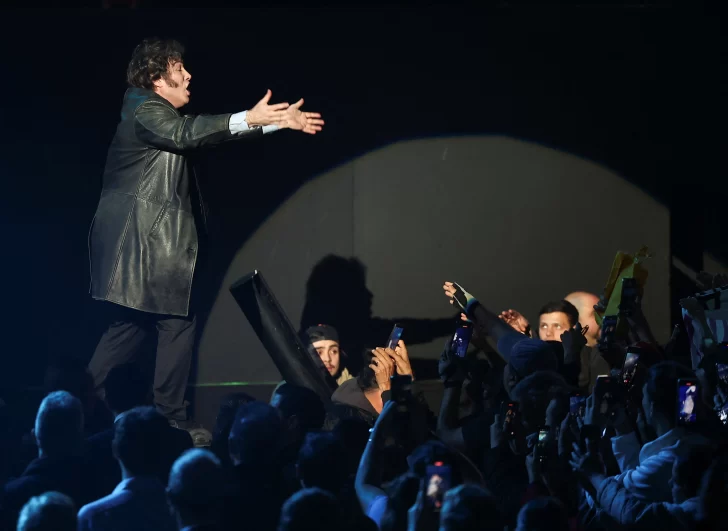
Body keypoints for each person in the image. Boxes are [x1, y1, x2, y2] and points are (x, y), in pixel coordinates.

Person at [87, 38, 324, 430]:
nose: (188, 74)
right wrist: (250, 116)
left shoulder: (149, 111)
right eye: (178, 68)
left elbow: (198, 134)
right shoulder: (145, 109)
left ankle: (77, 409)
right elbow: (187, 133)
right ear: (156, 79)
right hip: (147, 250)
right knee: (176, 322)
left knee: (127, 330)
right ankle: (170, 422)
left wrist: (272, 122)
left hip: (140, 253)